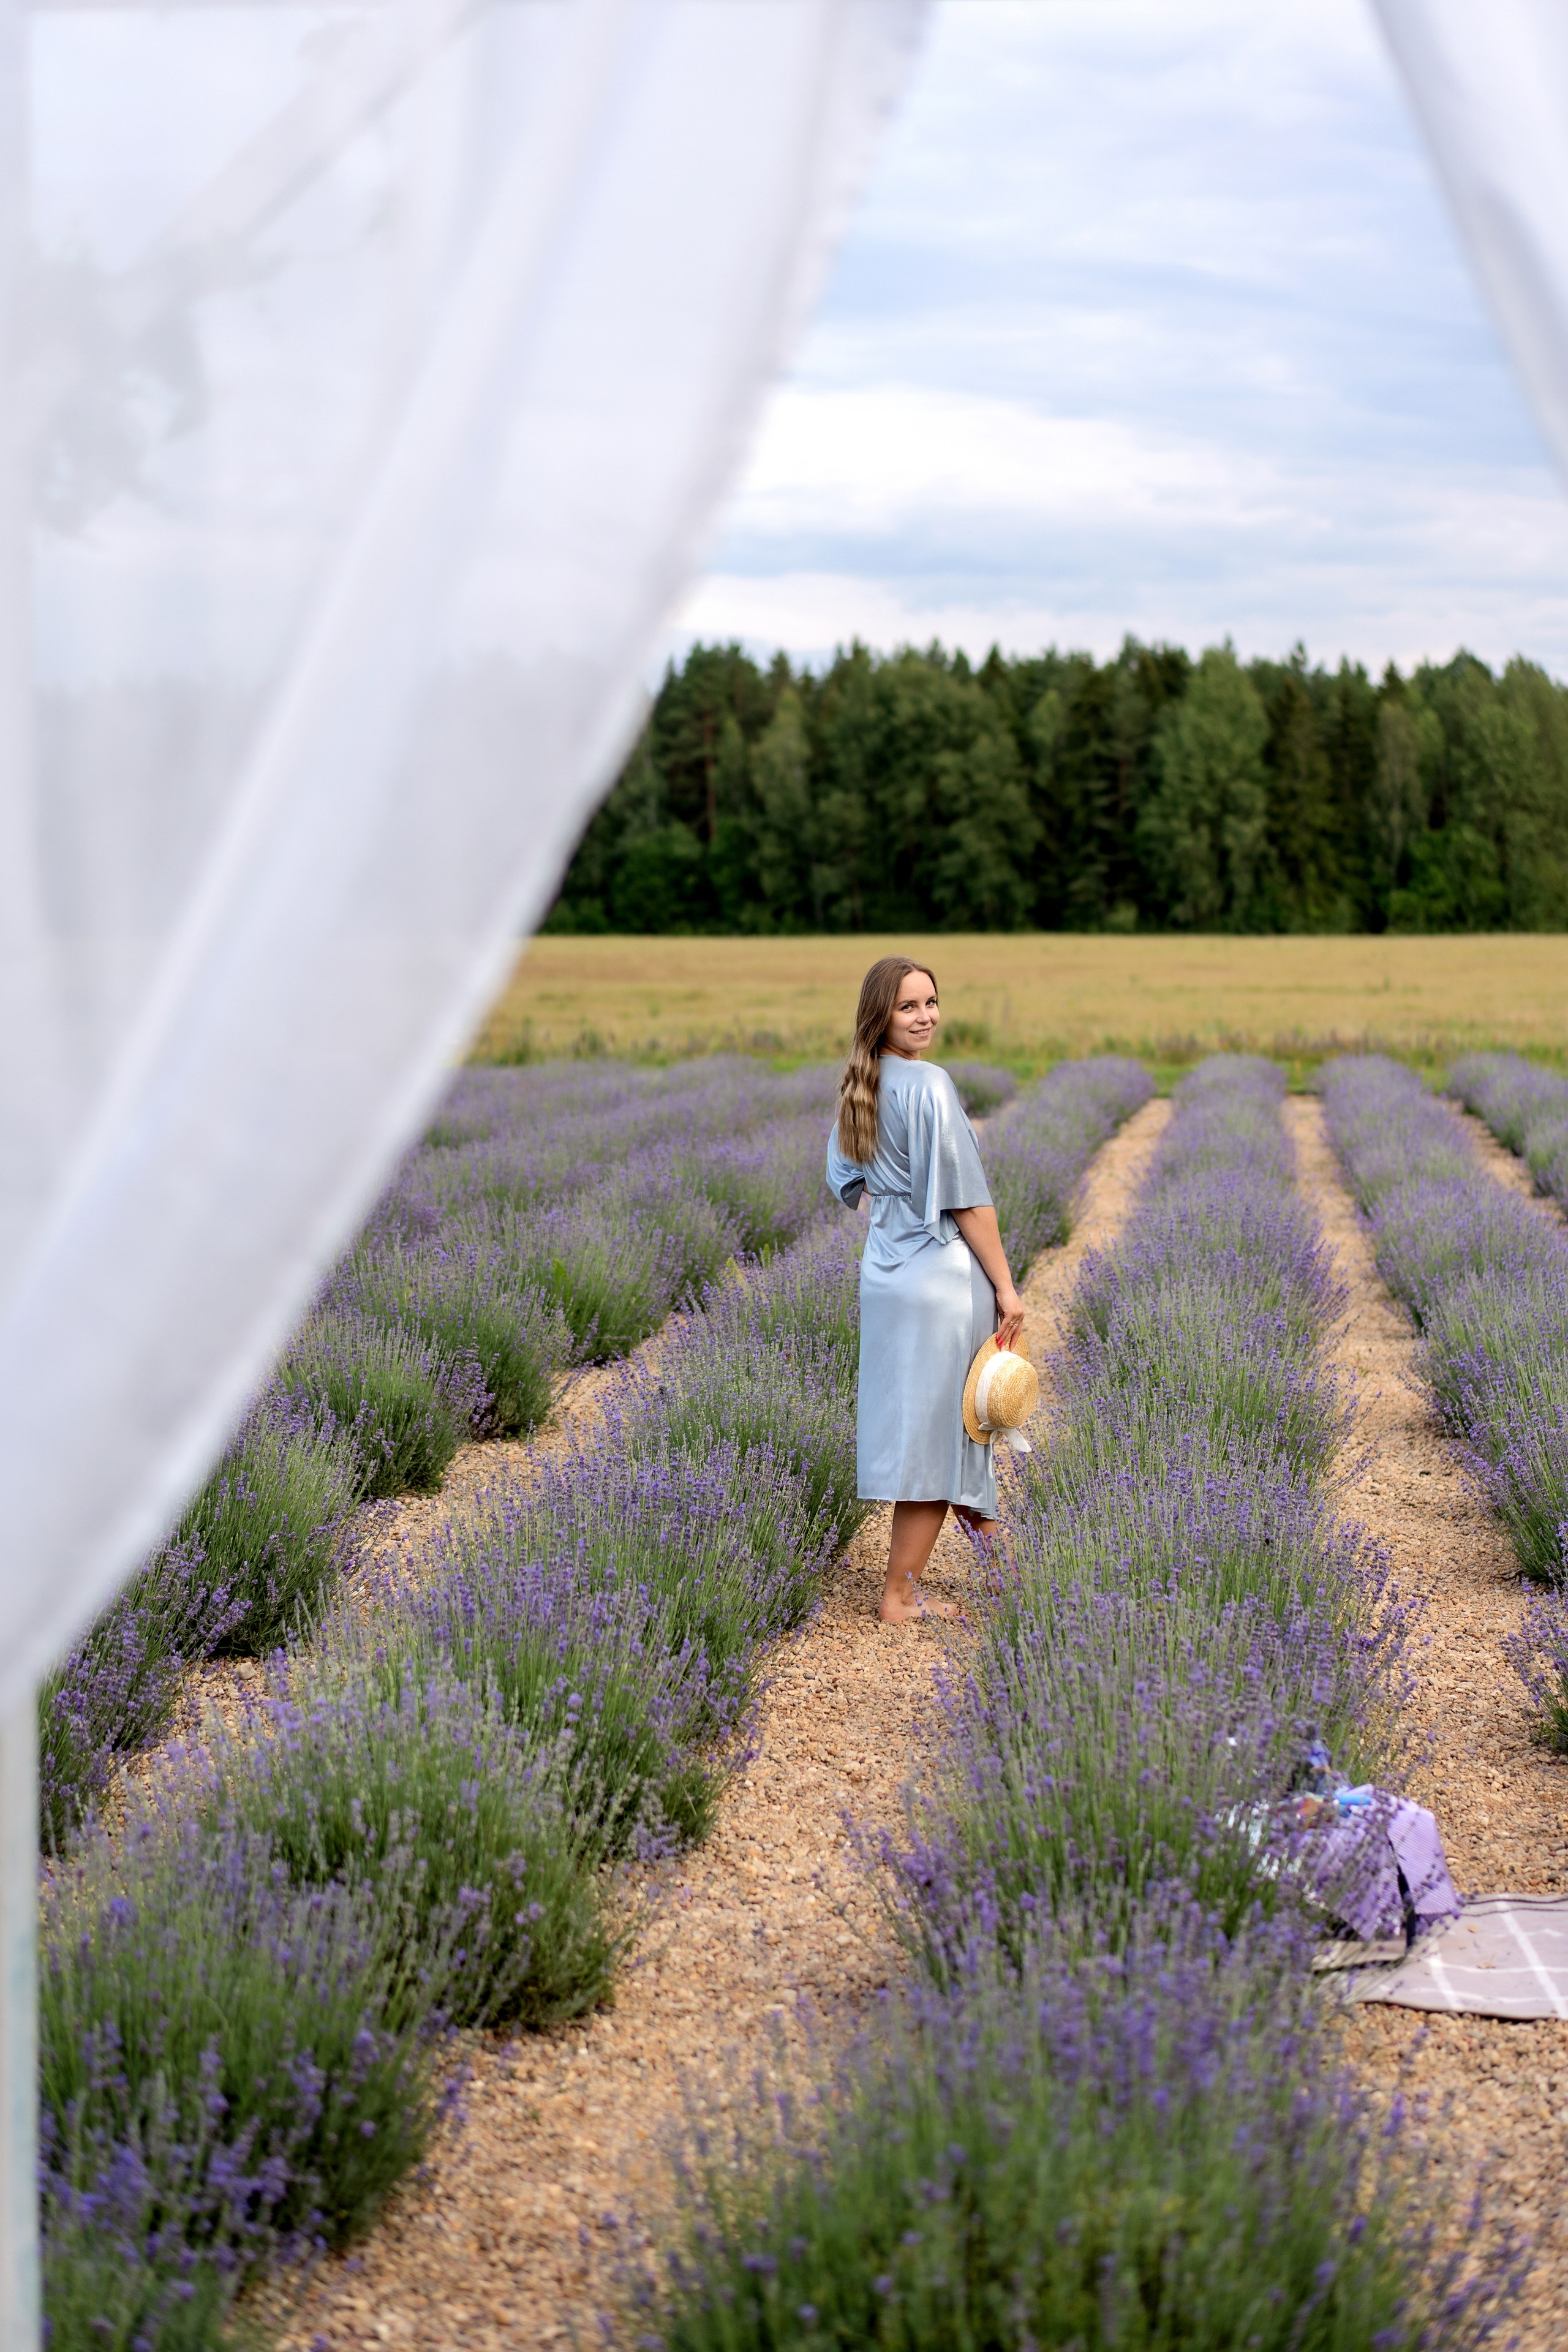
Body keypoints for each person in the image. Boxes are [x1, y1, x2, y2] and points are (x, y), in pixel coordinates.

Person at [825, 957, 1025, 1623]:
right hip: (941, 1281)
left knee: (947, 1429)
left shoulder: (863, 1083)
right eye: (909, 1006)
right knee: (949, 1435)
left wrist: (899, 1211)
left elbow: (848, 1185)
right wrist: (1006, 1287)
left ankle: (1010, 1576)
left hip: (887, 1277)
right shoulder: (931, 1084)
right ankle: (900, 1596)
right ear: (882, 1015)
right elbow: (969, 1204)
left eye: (931, 1002)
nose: (925, 1016)